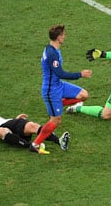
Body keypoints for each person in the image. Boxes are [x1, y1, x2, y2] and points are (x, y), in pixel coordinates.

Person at [30, 25, 92, 154]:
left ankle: (59, 103)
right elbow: (60, 73)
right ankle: (35, 144)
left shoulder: (53, 48)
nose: (65, 36)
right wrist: (80, 74)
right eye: (63, 35)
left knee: (83, 95)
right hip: (51, 90)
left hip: (59, 85)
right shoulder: (52, 53)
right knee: (56, 120)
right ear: (58, 37)